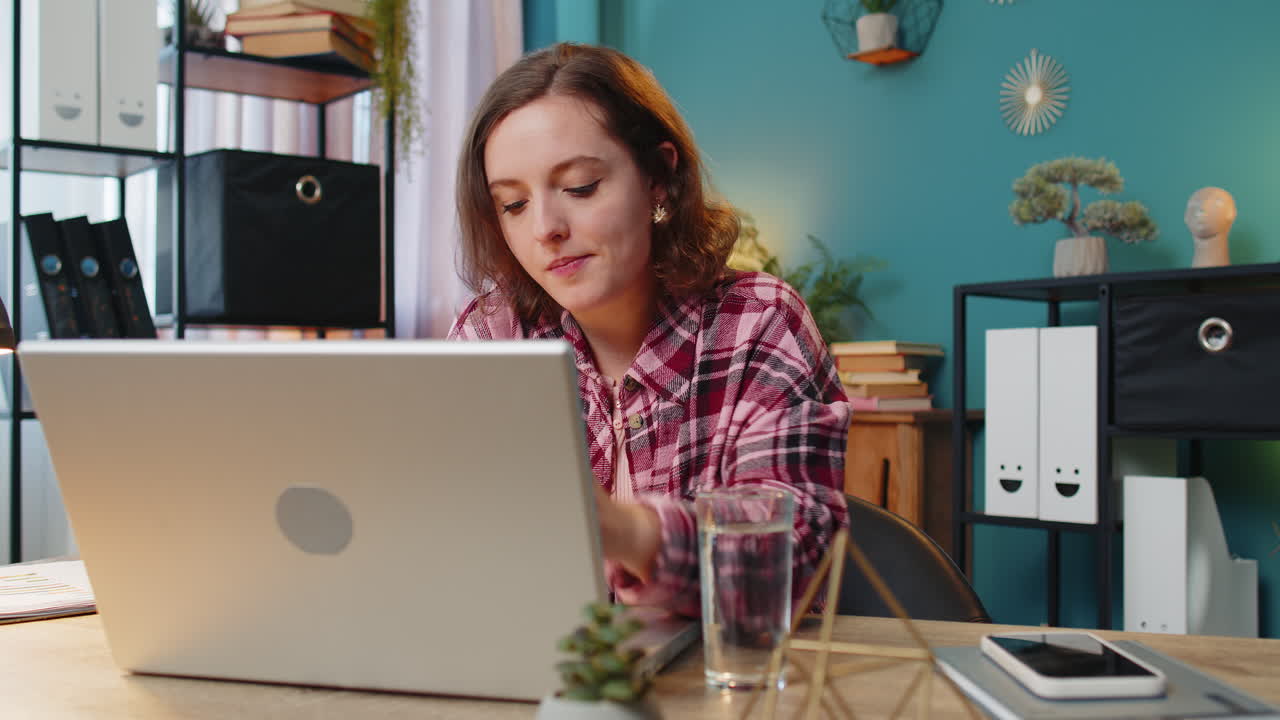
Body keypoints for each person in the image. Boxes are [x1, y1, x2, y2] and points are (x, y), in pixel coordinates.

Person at [448, 42, 850, 617]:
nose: (545, 228)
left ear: (658, 178)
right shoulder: (494, 337)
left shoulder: (757, 323)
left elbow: (798, 553)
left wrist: (629, 531)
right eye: (512, 204)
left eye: (581, 187)